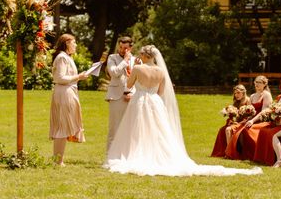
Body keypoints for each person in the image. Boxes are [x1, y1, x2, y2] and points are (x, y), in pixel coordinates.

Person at [106, 45, 262, 176]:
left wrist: (138, 80)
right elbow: (161, 92)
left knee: (137, 130)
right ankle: (157, 155)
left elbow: (129, 85)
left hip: (140, 100)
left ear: (144, 56)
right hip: (155, 101)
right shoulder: (161, 71)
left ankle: (137, 155)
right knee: (158, 131)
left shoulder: (138, 68)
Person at [49, 33, 91, 166]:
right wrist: (79, 77)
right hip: (64, 92)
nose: (76, 45)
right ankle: (57, 161)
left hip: (68, 91)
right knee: (62, 126)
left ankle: (58, 160)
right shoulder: (62, 57)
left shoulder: (66, 57)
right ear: (67, 43)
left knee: (64, 126)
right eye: (74, 42)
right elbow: (59, 78)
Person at [248, 74, 281, 166]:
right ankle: (264, 158)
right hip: (278, 123)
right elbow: (273, 110)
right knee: (262, 130)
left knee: (272, 134)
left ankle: (280, 159)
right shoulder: (279, 96)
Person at [225, 75, 273, 159]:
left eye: (259, 82)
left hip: (262, 121)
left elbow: (263, 112)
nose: (256, 84)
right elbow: (250, 112)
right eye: (255, 82)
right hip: (252, 120)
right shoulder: (252, 96)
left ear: (264, 84)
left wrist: (252, 121)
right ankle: (234, 153)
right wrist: (243, 119)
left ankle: (250, 155)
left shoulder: (266, 95)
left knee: (246, 130)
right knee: (239, 127)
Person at [105, 36, 137, 156]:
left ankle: (127, 156)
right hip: (116, 96)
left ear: (131, 48)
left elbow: (139, 79)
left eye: (126, 48)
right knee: (114, 128)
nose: (123, 50)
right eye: (121, 47)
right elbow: (114, 73)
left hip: (132, 97)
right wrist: (125, 61)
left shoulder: (136, 60)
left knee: (130, 129)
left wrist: (132, 93)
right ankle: (110, 156)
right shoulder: (112, 58)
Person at [211, 84, 251, 157]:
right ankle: (224, 151)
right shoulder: (236, 102)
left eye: (238, 93)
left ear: (243, 92)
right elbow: (234, 115)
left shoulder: (247, 100)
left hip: (244, 123)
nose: (236, 95)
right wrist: (231, 120)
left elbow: (249, 116)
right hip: (236, 122)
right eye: (235, 93)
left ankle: (229, 152)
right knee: (222, 129)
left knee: (228, 129)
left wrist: (238, 122)